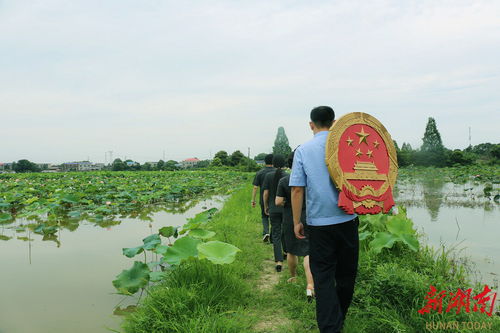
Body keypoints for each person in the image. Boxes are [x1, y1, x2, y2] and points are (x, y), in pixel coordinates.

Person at [289, 106, 359, 333]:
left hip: (319, 224)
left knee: (324, 275)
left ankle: (331, 326)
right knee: (347, 274)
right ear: (334, 122)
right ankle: (339, 316)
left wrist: (297, 221)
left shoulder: (303, 150)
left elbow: (297, 190)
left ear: (311, 124)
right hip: (348, 219)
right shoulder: (349, 146)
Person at [276, 151, 314, 299]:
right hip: (310, 216)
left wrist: (288, 202)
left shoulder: (284, 181)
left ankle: (293, 277)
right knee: (308, 252)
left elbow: (278, 202)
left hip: (291, 218)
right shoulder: (311, 179)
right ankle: (310, 284)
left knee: (291, 250)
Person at [262, 154, 286, 272]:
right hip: (285, 209)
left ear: (274, 163)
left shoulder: (268, 176)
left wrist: (266, 206)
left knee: (275, 234)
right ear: (284, 163)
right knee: (285, 231)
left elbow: (265, 193)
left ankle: (279, 261)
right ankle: (286, 251)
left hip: (273, 209)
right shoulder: (288, 176)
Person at [251, 154, 274, 242]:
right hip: (275, 198)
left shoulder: (260, 172)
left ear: (264, 162)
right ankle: (272, 235)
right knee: (274, 217)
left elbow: (255, 187)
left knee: (264, 216)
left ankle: (266, 232)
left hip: (263, 198)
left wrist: (253, 200)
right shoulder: (277, 172)